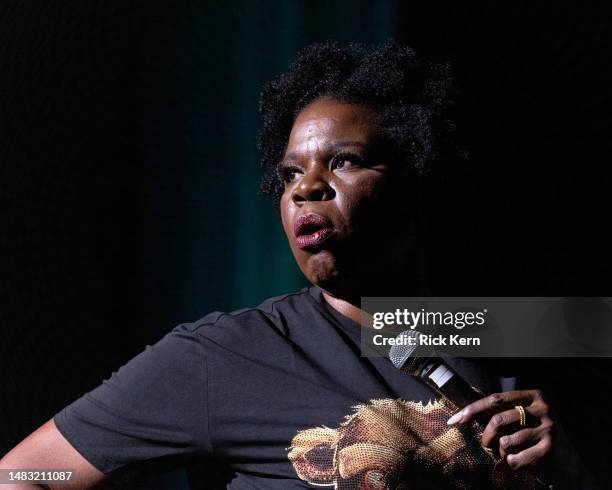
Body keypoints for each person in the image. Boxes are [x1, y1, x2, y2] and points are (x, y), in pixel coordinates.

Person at [0, 42, 596, 489]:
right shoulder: (223, 355)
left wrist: (568, 468)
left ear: (419, 183)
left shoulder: (508, 330)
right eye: (289, 174)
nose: (306, 188)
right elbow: (25, 478)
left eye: (344, 161)